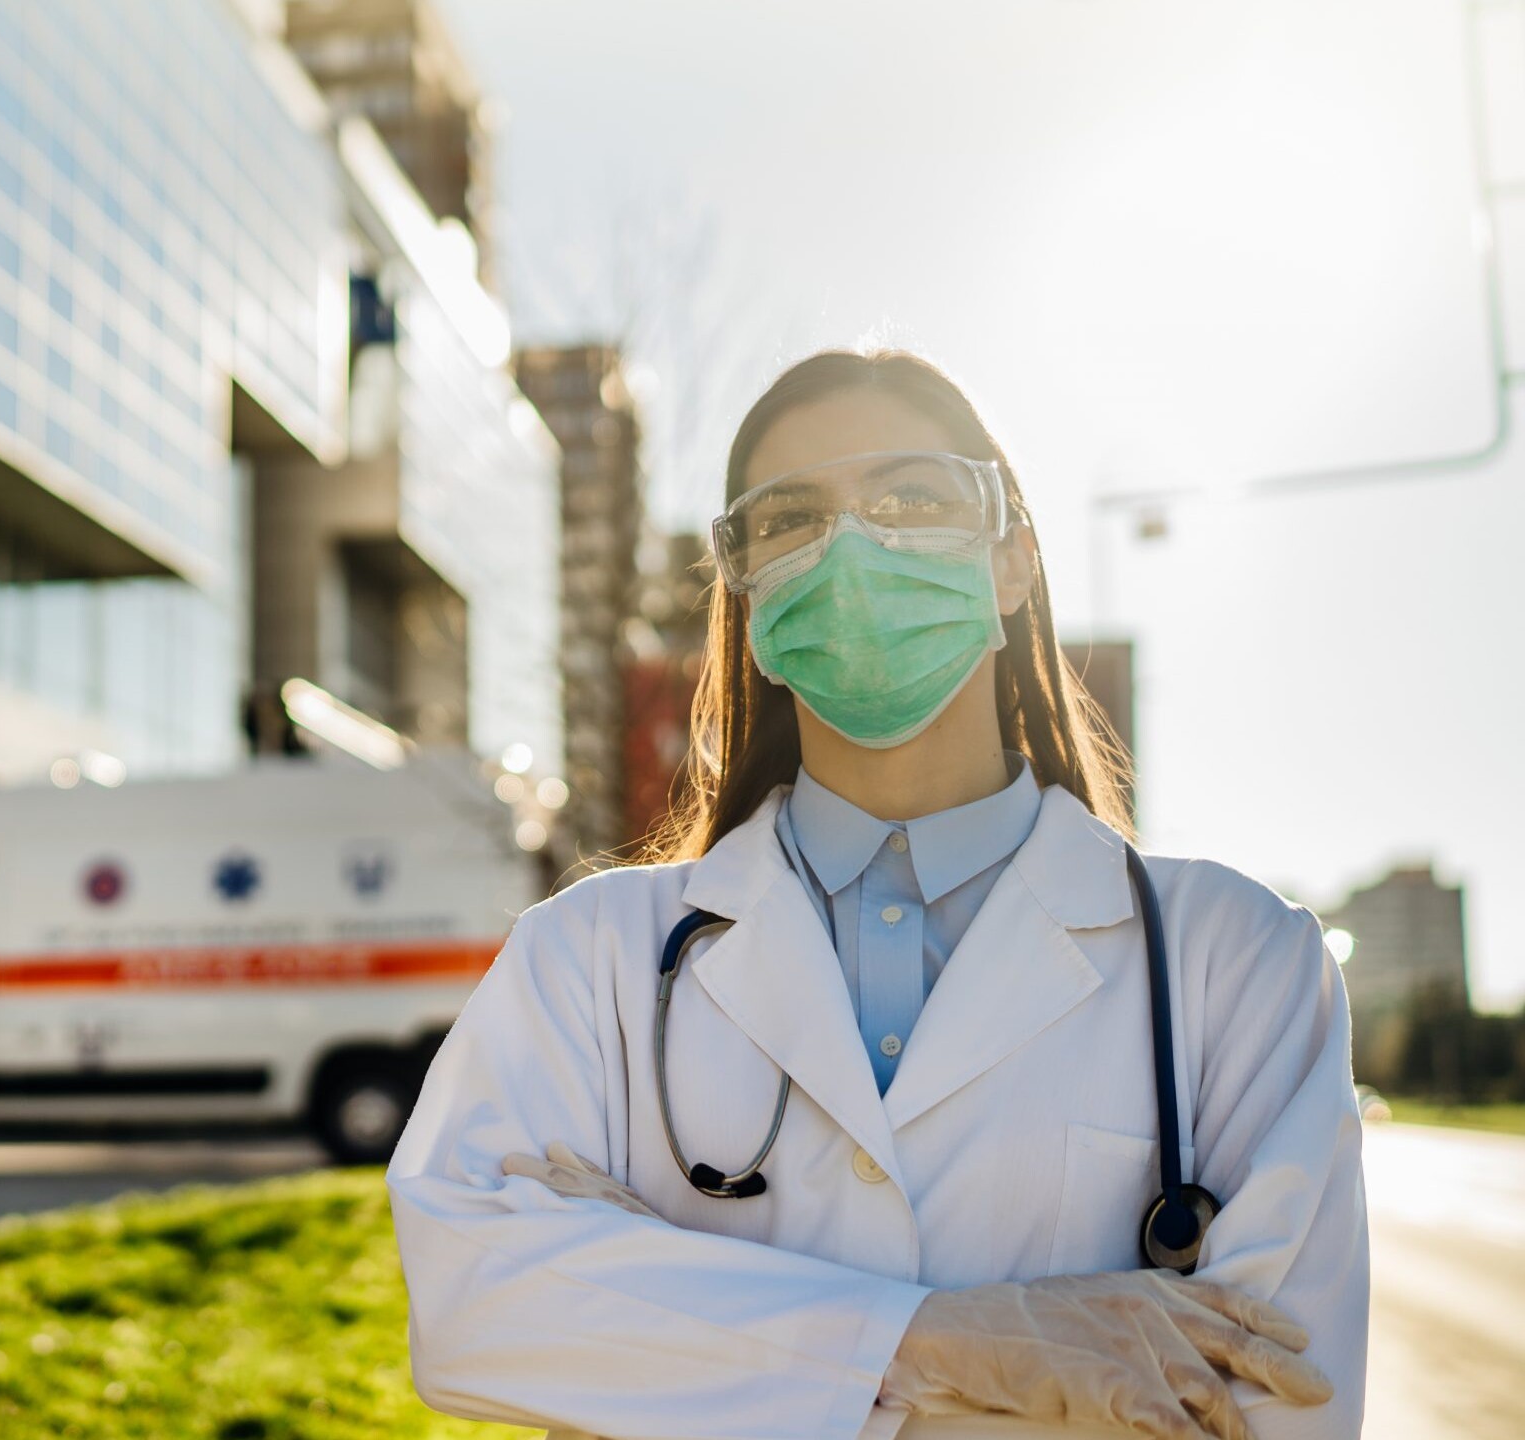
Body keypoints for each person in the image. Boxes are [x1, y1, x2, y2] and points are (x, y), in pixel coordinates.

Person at [382, 349, 1367, 1440]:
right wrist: (954, 1342)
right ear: (746, 592)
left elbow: (1274, 1410)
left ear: (1012, 560)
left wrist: (664, 1309)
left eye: (909, 497)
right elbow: (478, 1308)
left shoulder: (1238, 960)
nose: (851, 548)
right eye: (790, 518)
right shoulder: (588, 955)